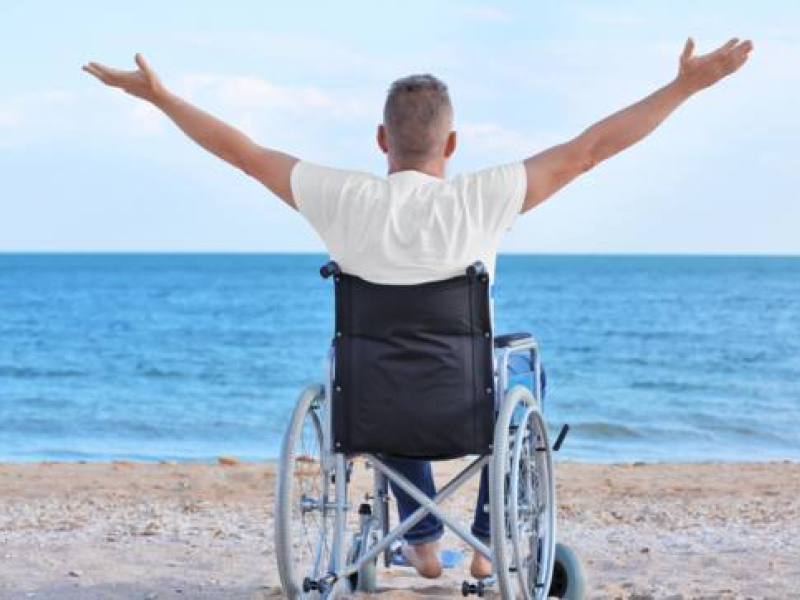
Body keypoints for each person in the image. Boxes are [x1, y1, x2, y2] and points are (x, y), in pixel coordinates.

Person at [83, 36, 753, 580]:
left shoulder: (339, 198)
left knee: (376, 372)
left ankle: (423, 543)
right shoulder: (482, 197)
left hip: (371, 405)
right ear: (452, 146)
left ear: (382, 140)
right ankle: (489, 542)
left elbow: (244, 154)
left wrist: (162, 98)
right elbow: (588, 150)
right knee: (522, 369)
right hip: (467, 407)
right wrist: (685, 87)